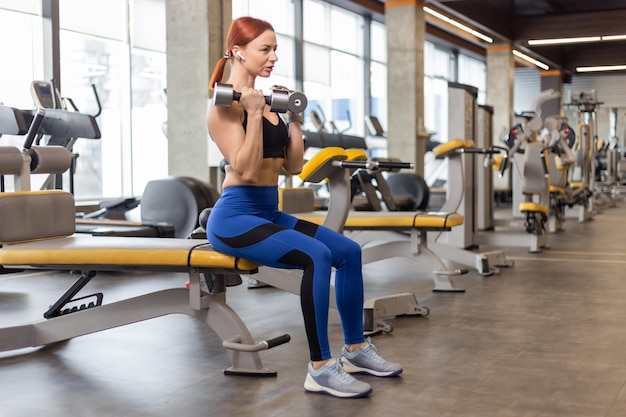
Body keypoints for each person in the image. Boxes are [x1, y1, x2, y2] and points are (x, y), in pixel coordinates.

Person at [206, 16, 402, 399]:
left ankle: (356, 349)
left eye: (275, 48)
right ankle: (320, 368)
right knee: (317, 255)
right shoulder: (224, 108)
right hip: (234, 218)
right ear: (237, 52)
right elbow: (245, 169)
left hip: (268, 212)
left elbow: (293, 166)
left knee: (347, 251)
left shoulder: (266, 104)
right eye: (265, 49)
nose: (273, 56)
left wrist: (292, 118)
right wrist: (256, 113)